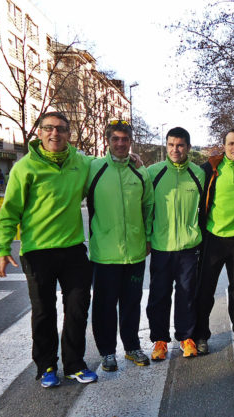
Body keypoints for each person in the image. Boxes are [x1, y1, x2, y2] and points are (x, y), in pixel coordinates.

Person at [0, 111, 97, 388]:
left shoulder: (81, 163)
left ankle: (74, 364)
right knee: (43, 312)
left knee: (77, 309)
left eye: (61, 129)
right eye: (49, 128)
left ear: (69, 134)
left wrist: (131, 158)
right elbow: (10, 211)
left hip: (73, 250)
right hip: (37, 252)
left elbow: (106, 165)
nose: (55, 133)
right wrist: (2, 249)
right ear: (39, 133)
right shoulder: (25, 168)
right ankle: (47, 365)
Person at [86, 119, 154, 372]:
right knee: (104, 306)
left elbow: (149, 206)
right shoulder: (93, 168)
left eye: (125, 139)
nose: (120, 143)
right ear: (108, 141)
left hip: (135, 252)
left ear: (130, 142)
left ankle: (132, 347)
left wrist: (147, 237)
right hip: (105, 253)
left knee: (131, 304)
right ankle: (107, 352)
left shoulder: (139, 171)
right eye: (115, 139)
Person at [194, 128, 234, 353]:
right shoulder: (210, 168)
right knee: (205, 289)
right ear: (224, 146)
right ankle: (200, 335)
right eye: (231, 143)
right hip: (213, 238)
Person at [146, 127, 206, 359]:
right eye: (171, 145)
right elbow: (146, 208)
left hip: (189, 248)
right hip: (161, 246)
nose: (175, 149)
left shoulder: (198, 174)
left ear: (188, 147)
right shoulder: (153, 172)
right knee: (159, 296)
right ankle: (160, 340)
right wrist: (148, 238)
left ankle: (186, 337)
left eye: (180, 145)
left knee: (187, 295)